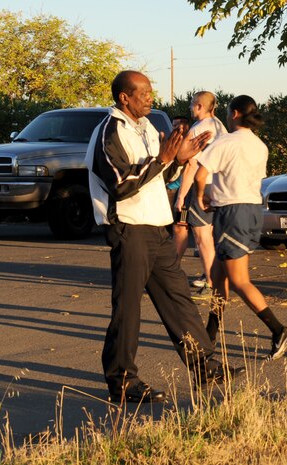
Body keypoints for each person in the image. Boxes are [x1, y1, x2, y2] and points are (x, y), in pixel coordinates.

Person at [85, 70, 243, 404]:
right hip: (129, 227)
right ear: (124, 98)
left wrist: (178, 160)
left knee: (178, 298)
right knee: (127, 309)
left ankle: (203, 365)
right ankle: (122, 381)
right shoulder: (108, 131)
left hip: (157, 227)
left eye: (150, 91)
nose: (150, 97)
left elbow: (160, 174)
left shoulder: (144, 128)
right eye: (142, 93)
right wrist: (163, 159)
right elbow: (120, 183)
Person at [194, 95, 287, 361]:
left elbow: (200, 174)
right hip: (252, 211)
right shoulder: (260, 145)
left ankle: (278, 330)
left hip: (232, 212)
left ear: (235, 113)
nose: (226, 117)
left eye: (228, 112)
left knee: (239, 280)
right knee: (219, 277)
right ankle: (210, 335)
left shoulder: (225, 141)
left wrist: (199, 197)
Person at [174, 92, 228, 296]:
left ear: (198, 106)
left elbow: (191, 164)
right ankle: (210, 276)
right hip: (218, 185)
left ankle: (211, 282)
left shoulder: (198, 129)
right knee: (209, 234)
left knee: (202, 236)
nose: (190, 108)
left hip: (201, 185)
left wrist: (181, 195)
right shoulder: (219, 126)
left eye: (191, 105)